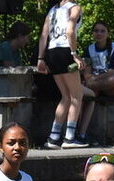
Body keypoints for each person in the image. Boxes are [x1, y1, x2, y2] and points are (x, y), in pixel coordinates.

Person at [35, 0, 86, 149]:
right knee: (77, 96)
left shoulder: (52, 10)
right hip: (65, 51)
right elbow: (70, 31)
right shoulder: (74, 8)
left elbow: (44, 35)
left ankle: (54, 137)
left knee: (65, 96)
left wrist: (40, 58)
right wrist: (74, 54)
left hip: (51, 53)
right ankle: (70, 137)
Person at [76, 21, 114, 143]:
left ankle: (86, 87)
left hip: (110, 84)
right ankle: (80, 133)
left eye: (102, 31)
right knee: (85, 96)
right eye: (96, 31)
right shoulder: (89, 49)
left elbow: (112, 72)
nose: (99, 33)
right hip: (94, 86)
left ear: (107, 33)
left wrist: (93, 80)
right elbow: (87, 72)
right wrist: (89, 79)